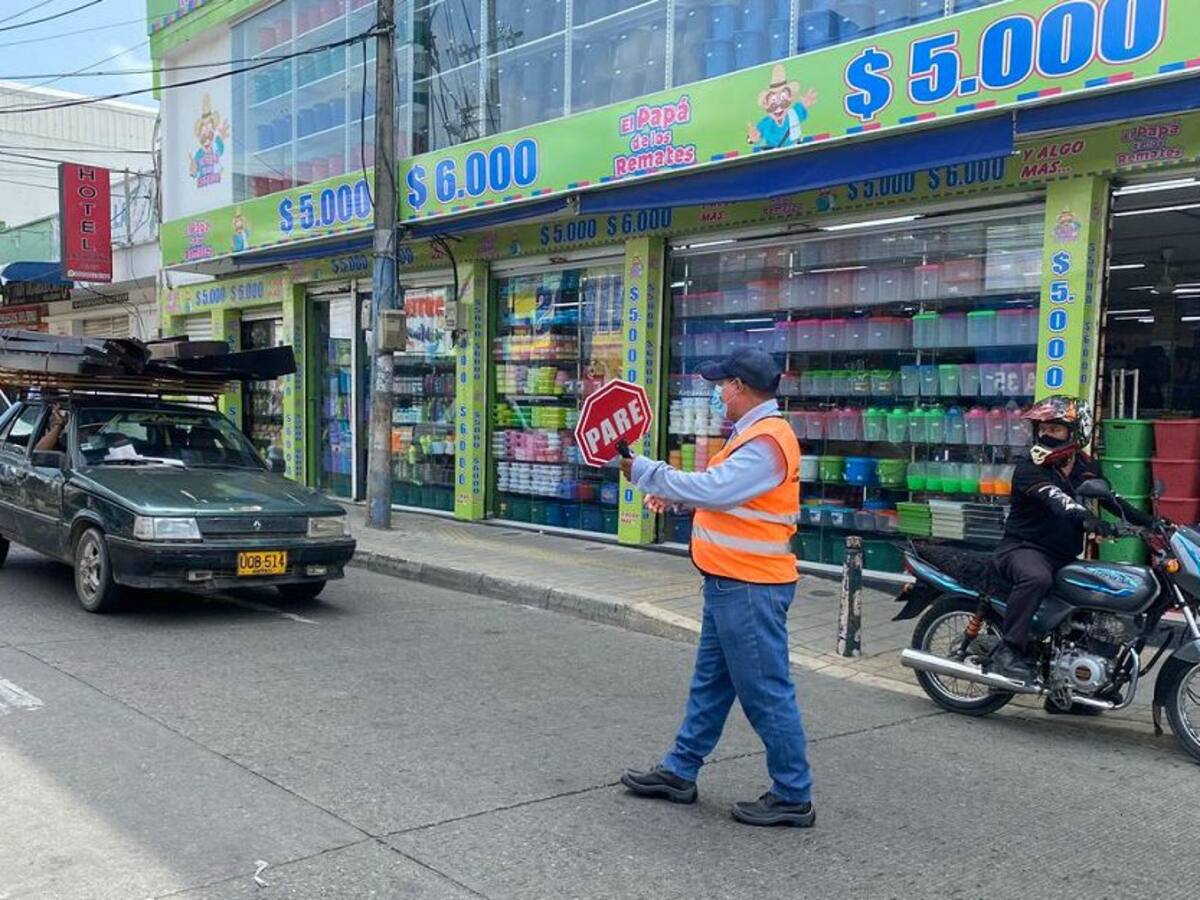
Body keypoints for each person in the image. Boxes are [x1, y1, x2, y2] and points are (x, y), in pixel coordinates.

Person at [617, 347, 814, 828]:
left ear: (741, 388)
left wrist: (646, 472)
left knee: (766, 693)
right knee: (710, 685)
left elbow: (715, 489)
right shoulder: (752, 433)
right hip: (731, 582)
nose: (717, 393)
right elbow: (724, 496)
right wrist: (675, 496)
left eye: (721, 384)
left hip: (751, 587)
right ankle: (680, 771)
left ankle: (793, 794)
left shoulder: (769, 439)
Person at [989, 395, 1155, 682]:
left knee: (1092, 604)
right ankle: (1008, 651)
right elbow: (1058, 500)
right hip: (1023, 548)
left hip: (1063, 555)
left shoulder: (1086, 467)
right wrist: (1089, 520)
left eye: (1055, 429)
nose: (1046, 434)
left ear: (1076, 431)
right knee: (1036, 578)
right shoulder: (1030, 467)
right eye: (1043, 428)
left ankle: (1071, 687)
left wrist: (1153, 523)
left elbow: (1113, 502)